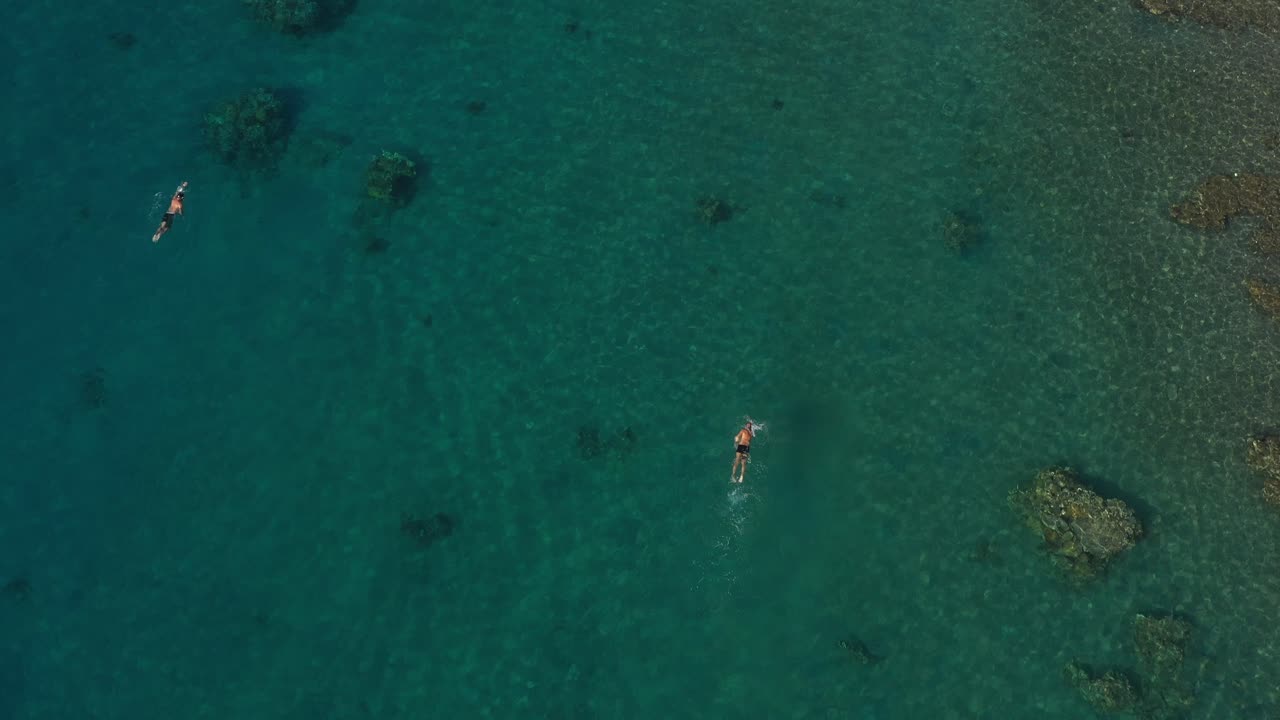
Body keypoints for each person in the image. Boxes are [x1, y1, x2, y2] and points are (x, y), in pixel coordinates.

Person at [731, 417, 761, 483]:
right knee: (737, 461)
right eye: (747, 424)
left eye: (749, 425)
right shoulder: (743, 430)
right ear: (746, 426)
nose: (748, 425)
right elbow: (737, 436)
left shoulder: (751, 434)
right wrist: (736, 439)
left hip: (746, 448)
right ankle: (733, 475)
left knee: (743, 463)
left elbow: (754, 431)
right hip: (741, 446)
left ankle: (741, 476)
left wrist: (752, 425)